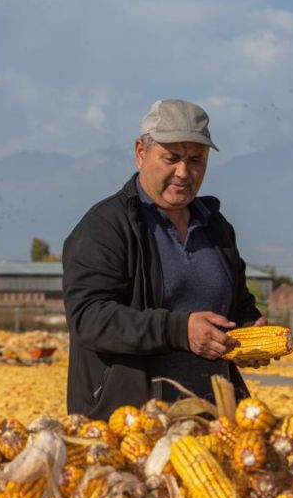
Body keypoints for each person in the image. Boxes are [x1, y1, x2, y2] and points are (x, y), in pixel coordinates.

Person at [63, 99, 266, 420]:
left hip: (215, 420)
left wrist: (247, 330)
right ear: (140, 152)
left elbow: (238, 304)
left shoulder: (215, 226)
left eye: (196, 160)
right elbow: (89, 319)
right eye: (171, 158)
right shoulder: (106, 226)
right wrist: (179, 330)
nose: (184, 173)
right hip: (134, 421)